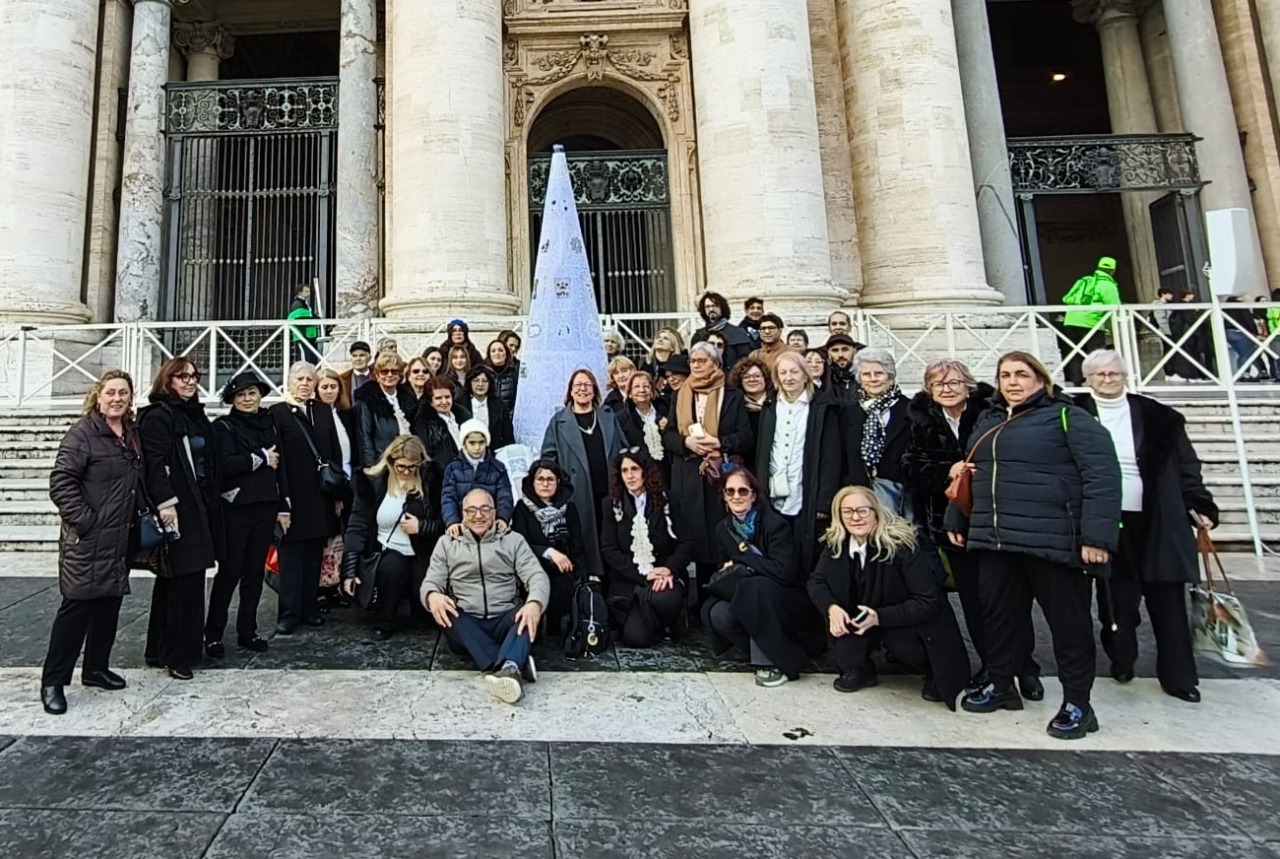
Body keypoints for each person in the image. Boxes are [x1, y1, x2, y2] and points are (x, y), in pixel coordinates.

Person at [945, 351, 1121, 740]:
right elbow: (972, 473)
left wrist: (1097, 538)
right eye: (1005, 375)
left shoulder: (1068, 417)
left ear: (1041, 380)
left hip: (1053, 541)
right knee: (1000, 618)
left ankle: (1078, 702)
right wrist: (956, 518)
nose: (1012, 382)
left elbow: (1102, 477)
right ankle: (1002, 684)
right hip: (997, 540)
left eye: (1022, 374)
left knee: (1068, 624)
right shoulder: (990, 419)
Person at [1077, 350, 1217, 702]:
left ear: (1125, 376)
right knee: (1116, 603)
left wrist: (1199, 503)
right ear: (1087, 379)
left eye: (1113, 373)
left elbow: (1187, 465)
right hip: (1107, 523)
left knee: (1168, 602)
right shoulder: (1074, 415)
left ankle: (1180, 677)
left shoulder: (1160, 417)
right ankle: (1121, 659)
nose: (1107, 379)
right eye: (1099, 374)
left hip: (1159, 519)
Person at [902, 359, 1041, 695]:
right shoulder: (921, 420)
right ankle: (993, 665)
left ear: (969, 385)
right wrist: (946, 470)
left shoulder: (990, 414)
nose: (946, 390)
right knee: (974, 602)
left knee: (1010, 600)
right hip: (949, 524)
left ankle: (1025, 666)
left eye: (953, 383)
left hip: (994, 520)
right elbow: (910, 464)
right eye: (939, 385)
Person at [809, 486, 969, 707]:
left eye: (862, 510)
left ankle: (931, 671)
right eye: (847, 512)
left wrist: (880, 617)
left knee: (904, 646)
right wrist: (832, 608)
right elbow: (816, 582)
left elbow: (927, 601)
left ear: (875, 512)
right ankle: (863, 669)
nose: (855, 517)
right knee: (846, 655)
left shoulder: (902, 545)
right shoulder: (837, 543)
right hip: (864, 613)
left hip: (907, 617)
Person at [41, 371, 140, 715]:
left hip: (119, 537)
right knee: (76, 609)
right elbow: (61, 483)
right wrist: (87, 520)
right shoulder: (83, 433)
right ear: (98, 397)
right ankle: (53, 681)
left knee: (109, 605)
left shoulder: (130, 433)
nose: (117, 398)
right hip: (88, 538)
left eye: (123, 393)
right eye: (110, 392)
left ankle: (96, 668)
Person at [422, 488, 548, 704]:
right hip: (466, 624)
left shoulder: (512, 540)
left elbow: (537, 575)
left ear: (494, 512)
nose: (478, 515)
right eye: (471, 510)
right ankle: (512, 662)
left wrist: (534, 603)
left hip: (504, 619)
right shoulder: (447, 543)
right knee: (448, 611)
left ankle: (506, 667)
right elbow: (431, 581)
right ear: (463, 513)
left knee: (527, 614)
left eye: (484, 509)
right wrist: (432, 595)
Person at [137, 358, 218, 681]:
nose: (189, 381)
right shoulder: (158, 416)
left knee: (181, 578)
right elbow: (154, 462)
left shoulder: (194, 415)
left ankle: (159, 648)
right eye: (182, 376)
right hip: (177, 507)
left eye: (194, 376)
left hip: (197, 504)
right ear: (167, 380)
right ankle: (178, 654)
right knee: (182, 580)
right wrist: (165, 503)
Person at [705, 467, 820, 687]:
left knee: (756, 588)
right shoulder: (723, 528)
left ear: (753, 495)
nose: (736, 496)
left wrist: (746, 559)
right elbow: (724, 564)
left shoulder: (774, 524)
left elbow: (784, 572)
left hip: (784, 595)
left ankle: (772, 662)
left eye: (742, 491)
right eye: (730, 492)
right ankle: (759, 648)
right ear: (724, 497)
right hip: (747, 592)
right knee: (718, 612)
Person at [206, 372, 289, 659]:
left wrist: (283, 505)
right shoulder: (224, 427)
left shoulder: (270, 423)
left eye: (251, 393)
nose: (247, 398)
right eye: (241, 394)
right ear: (232, 398)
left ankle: (247, 630)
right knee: (229, 573)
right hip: (236, 508)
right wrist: (261, 459)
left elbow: (283, 467)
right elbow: (226, 464)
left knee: (254, 573)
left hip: (265, 505)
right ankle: (213, 634)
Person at [662, 341, 754, 591]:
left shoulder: (732, 394)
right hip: (688, 473)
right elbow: (668, 435)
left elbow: (746, 436)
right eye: (693, 361)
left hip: (719, 474)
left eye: (702, 361)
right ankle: (698, 599)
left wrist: (721, 443)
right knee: (693, 538)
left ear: (715, 363)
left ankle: (722, 591)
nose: (696, 366)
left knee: (719, 537)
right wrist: (686, 442)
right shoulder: (680, 393)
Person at [342, 435, 444, 640]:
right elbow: (357, 525)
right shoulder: (372, 483)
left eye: (412, 467)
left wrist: (422, 527)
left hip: (422, 551)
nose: (406, 472)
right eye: (401, 467)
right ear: (390, 462)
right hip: (387, 550)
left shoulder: (432, 482)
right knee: (394, 568)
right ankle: (384, 621)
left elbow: (445, 524)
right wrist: (349, 570)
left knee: (423, 597)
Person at [268, 361, 344, 636]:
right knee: (291, 559)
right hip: (293, 495)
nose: (304, 383)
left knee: (314, 555)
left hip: (320, 495)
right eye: (299, 379)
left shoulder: (322, 411)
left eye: (309, 379)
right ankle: (289, 613)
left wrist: (337, 495)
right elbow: (280, 460)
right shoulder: (277, 413)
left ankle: (309, 608)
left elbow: (334, 453)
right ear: (290, 381)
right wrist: (282, 502)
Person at [753, 350, 842, 574]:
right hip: (774, 491)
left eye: (794, 372)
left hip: (806, 493)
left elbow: (831, 459)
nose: (789, 377)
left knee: (808, 556)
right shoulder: (770, 407)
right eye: (783, 372)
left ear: (805, 375)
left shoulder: (822, 408)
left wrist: (824, 502)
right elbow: (764, 451)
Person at [599, 449, 692, 646]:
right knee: (636, 639)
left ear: (645, 472)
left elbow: (686, 542)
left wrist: (669, 569)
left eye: (634, 469)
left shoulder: (668, 500)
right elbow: (609, 550)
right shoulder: (611, 504)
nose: (630, 475)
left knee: (665, 598)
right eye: (624, 471)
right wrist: (644, 574)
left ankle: (665, 618)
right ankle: (654, 621)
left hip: (664, 577)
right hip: (630, 581)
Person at [541, 369, 625, 576]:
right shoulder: (558, 422)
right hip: (577, 495)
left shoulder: (607, 416)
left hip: (610, 491)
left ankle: (614, 581)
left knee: (612, 538)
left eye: (587, 385)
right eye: (577, 385)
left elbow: (624, 449)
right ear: (570, 391)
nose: (582, 389)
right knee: (587, 539)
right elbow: (547, 460)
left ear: (595, 390)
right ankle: (590, 582)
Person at [511, 459, 591, 637]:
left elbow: (578, 548)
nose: (545, 483)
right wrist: (549, 552)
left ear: (558, 482)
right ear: (532, 482)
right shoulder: (522, 509)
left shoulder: (569, 508)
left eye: (550, 479)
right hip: (531, 568)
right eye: (540, 479)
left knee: (563, 588)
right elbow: (519, 545)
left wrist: (582, 579)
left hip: (562, 571)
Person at [842, 347, 912, 518]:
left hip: (901, 498)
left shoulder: (911, 410)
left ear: (890, 376)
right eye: (866, 374)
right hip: (860, 497)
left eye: (878, 373)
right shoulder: (848, 413)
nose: (873, 379)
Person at [443, 419, 514, 535]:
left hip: (490, 526)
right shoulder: (452, 468)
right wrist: (452, 521)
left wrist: (503, 517)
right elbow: (448, 498)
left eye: (481, 443)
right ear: (464, 443)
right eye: (472, 443)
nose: (477, 447)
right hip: (462, 526)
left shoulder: (498, 468)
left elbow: (505, 496)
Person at [1060, 256, 1121, 385]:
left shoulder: (1083, 281)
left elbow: (1066, 298)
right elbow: (1115, 308)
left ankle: (1077, 381)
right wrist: (1113, 329)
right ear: (1113, 270)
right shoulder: (1108, 286)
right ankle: (1097, 379)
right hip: (1092, 322)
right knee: (1096, 353)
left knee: (1074, 351)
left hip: (1071, 320)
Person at [352, 351, 417, 472]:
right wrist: (371, 468)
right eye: (384, 371)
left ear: (400, 375)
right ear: (377, 375)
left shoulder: (408, 397)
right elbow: (364, 437)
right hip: (382, 463)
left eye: (394, 371)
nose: (390, 375)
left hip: (408, 462)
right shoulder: (366, 400)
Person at [616, 371, 670, 476]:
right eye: (636, 386)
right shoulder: (621, 418)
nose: (642, 390)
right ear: (630, 393)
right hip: (640, 474)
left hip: (668, 470)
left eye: (646, 386)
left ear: (652, 391)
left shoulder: (665, 410)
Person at [412, 375, 471, 462]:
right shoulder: (424, 426)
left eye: (447, 397)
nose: (444, 402)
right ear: (430, 402)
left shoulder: (464, 416)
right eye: (438, 398)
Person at [691, 290, 752, 373]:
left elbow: (745, 362)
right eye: (707, 307)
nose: (711, 309)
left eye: (715, 305)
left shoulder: (738, 333)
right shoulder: (698, 336)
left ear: (722, 308)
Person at [461, 365, 515, 448]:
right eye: (476, 380)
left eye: (484, 381)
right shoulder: (461, 405)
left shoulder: (499, 405)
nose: (480, 384)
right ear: (470, 382)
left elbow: (508, 436)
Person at [316, 368, 355, 482]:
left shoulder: (346, 415)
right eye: (324, 387)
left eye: (333, 387)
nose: (329, 391)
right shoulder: (312, 417)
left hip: (349, 470)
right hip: (327, 475)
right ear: (316, 390)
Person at [730, 355, 773, 439]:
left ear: (765, 378)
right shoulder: (735, 406)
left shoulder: (776, 403)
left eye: (757, 376)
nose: (752, 380)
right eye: (746, 377)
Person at [824, 333, 864, 404]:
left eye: (845, 349)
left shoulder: (866, 376)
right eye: (835, 350)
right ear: (829, 353)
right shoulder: (824, 379)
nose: (840, 355)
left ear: (854, 351)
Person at [287, 282, 321, 364]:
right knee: (304, 361)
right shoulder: (297, 304)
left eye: (309, 291)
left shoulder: (305, 304)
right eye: (306, 291)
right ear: (300, 292)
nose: (309, 294)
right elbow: (298, 319)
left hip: (309, 336)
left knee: (311, 360)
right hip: (302, 336)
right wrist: (314, 319)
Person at [485, 338, 520, 414]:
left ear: (506, 354)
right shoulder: (483, 373)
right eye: (493, 351)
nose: (497, 353)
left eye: (500, 350)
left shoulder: (514, 373)